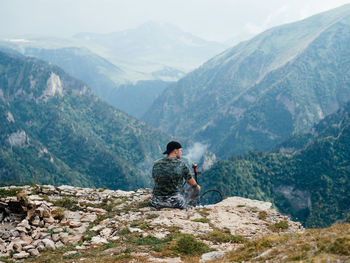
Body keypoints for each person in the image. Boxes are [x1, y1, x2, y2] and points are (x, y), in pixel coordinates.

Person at [150, 141, 201, 209]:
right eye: (180, 150)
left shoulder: (157, 163)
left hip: (156, 201)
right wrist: (197, 187)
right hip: (175, 202)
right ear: (175, 151)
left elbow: (155, 182)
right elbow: (192, 183)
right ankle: (193, 207)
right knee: (196, 188)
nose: (181, 152)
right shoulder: (180, 164)